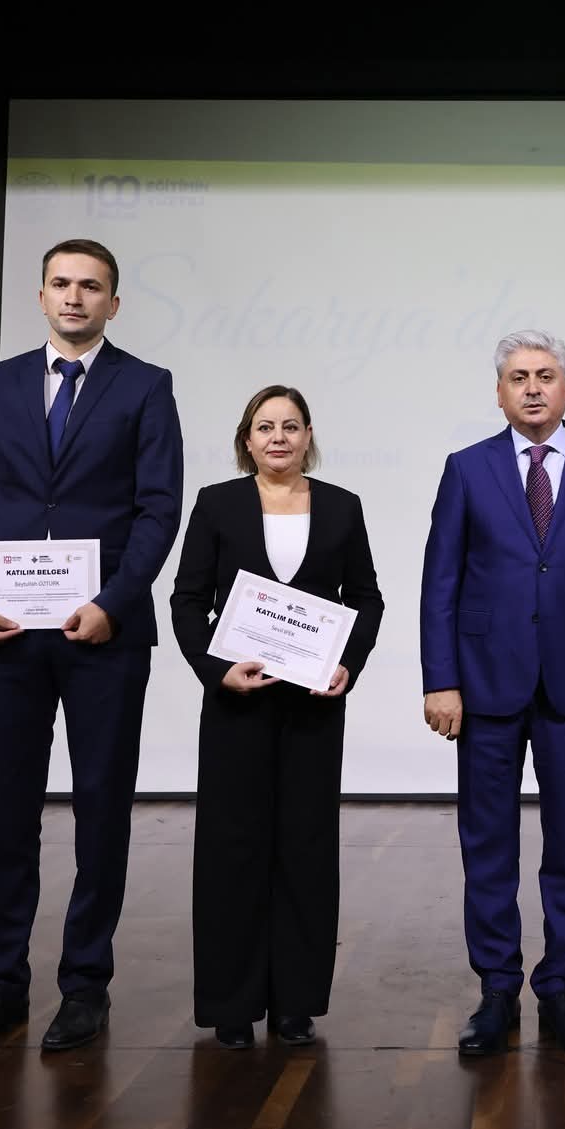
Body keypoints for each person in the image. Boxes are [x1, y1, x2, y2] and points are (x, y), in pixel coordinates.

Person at [0, 238, 184, 1052]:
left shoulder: (145, 386)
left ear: (114, 303)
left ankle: (85, 986)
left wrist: (113, 602)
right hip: (3, 634)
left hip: (103, 633)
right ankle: (1, 983)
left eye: (91, 286)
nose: (75, 297)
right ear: (41, 295)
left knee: (102, 808)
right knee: (5, 809)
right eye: (62, 284)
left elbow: (158, 510)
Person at [419, 330, 565, 1057]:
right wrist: (440, 679)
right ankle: (496, 987)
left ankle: (560, 988)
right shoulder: (467, 469)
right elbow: (440, 582)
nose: (533, 388)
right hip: (484, 685)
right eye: (518, 377)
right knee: (487, 842)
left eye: (546, 375)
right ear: (499, 393)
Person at [169, 385, 384, 1050]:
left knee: (306, 848)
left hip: (313, 708)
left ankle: (295, 1001)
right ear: (248, 439)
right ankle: (231, 1005)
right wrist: (216, 670)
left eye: (291, 426)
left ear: (308, 435)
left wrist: (347, 663)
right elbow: (186, 600)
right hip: (237, 704)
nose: (279, 437)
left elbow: (366, 597)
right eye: (265, 427)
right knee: (231, 850)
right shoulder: (217, 503)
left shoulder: (342, 506)